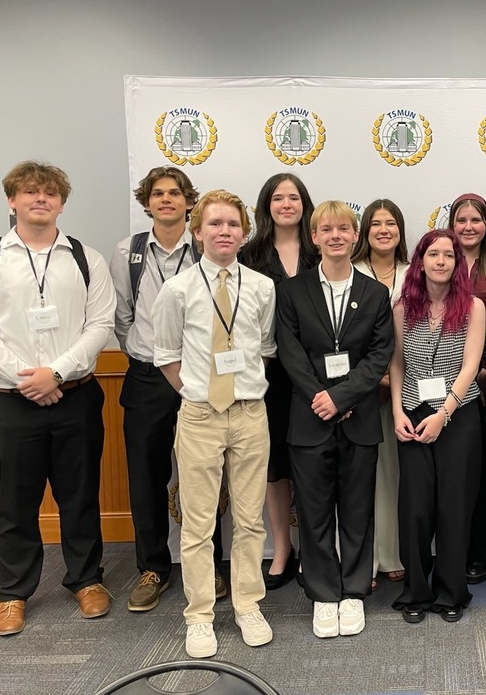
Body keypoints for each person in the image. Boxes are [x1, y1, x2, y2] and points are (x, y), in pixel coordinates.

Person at [0, 161, 116, 636]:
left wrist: (57, 373)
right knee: (13, 501)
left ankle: (86, 580)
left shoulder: (86, 258)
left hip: (76, 396)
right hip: (11, 401)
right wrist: (28, 379)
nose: (40, 199)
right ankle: (12, 593)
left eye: (49, 193)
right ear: (12, 201)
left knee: (80, 495)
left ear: (61, 203)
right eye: (29, 192)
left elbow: (101, 324)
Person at [152, 189, 276, 658]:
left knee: (249, 519)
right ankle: (200, 615)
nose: (224, 231)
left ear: (244, 233)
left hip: (248, 413)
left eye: (232, 224)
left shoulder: (262, 287)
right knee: (199, 523)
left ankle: (248, 604)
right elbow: (166, 354)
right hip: (201, 415)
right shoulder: (178, 289)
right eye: (214, 224)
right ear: (197, 230)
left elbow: (265, 346)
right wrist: (193, 396)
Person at [110, 166, 231, 612]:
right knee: (146, 476)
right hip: (147, 379)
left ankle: (210, 565)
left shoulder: (206, 247)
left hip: (201, 377)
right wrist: (152, 357)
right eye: (158, 194)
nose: (166, 200)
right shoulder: (128, 252)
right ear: (147, 202)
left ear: (188, 202)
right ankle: (153, 567)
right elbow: (121, 317)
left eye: (175, 193)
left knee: (205, 475)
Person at [276, 200, 394, 639]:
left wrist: (342, 396)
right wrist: (322, 399)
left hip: (359, 417)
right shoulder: (291, 291)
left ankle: (354, 592)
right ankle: (325, 594)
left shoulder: (376, 293)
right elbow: (291, 354)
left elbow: (379, 354)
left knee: (358, 509)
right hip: (309, 420)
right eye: (326, 229)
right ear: (315, 237)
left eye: (344, 228)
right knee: (314, 511)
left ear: (354, 236)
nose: (336, 236)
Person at [389, 229, 486, 623]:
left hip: (458, 416)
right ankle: (416, 589)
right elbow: (396, 364)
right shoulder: (401, 308)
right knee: (414, 507)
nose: (442, 261)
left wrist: (444, 413)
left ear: (457, 263)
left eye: (449, 255)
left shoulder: (474, 307)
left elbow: (470, 368)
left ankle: (450, 591)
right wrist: (397, 411)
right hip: (412, 412)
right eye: (434, 254)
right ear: (421, 261)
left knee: (453, 505)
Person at [239, 173, 318, 591]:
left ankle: (312, 549)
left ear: (304, 204)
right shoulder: (249, 254)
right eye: (278, 197)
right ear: (266, 204)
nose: (286, 204)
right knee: (273, 468)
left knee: (310, 464)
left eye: (294, 197)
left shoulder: (320, 250)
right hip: (265, 376)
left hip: (315, 376)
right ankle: (282, 548)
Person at [447, 193, 486, 585]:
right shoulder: (439, 261)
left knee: (482, 473)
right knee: (451, 475)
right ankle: (449, 549)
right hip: (441, 386)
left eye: (476, 219)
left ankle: (476, 552)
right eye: (461, 219)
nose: (468, 226)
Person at [353, 199, 410, 589]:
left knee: (392, 474)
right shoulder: (349, 270)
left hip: (404, 389)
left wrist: (396, 381)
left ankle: (391, 554)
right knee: (358, 478)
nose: (384, 230)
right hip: (357, 390)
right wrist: (371, 378)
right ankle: (363, 560)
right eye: (376, 223)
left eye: (391, 223)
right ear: (365, 231)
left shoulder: (415, 272)